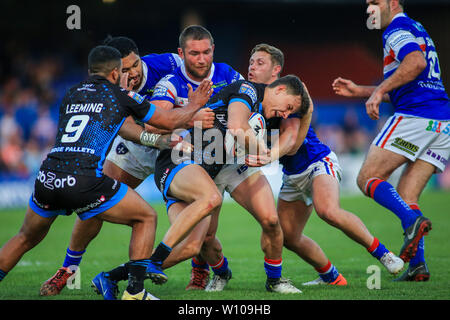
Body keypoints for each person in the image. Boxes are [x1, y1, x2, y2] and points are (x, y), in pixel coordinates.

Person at [0, 45, 212, 300]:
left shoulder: (71, 93)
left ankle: (69, 269)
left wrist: (159, 142)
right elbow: (167, 121)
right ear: (115, 72)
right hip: (84, 179)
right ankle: (135, 292)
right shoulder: (120, 94)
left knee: (24, 237)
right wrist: (196, 104)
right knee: (145, 217)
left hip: (48, 176)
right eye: (124, 69)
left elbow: (121, 126)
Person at [37, 36, 189, 297]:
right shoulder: (112, 88)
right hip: (134, 147)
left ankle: (204, 269)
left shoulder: (170, 63)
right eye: (125, 69)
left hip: (173, 147)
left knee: (200, 207)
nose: (131, 73)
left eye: (134, 66)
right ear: (115, 69)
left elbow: (193, 79)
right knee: (93, 204)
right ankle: (68, 269)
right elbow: (129, 128)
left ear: (140, 57)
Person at [246, 43, 405, 285]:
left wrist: (268, 155)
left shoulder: (291, 93)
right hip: (292, 174)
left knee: (327, 210)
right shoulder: (249, 95)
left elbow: (291, 138)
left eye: (260, 63)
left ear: (276, 70)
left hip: (317, 162)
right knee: (287, 237)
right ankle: (332, 277)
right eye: (251, 62)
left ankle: (384, 254)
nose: (252, 67)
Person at [144, 75, 308, 295]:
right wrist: (263, 152)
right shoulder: (248, 90)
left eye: (291, 111)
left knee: (270, 219)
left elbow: (292, 137)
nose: (286, 114)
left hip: (231, 164)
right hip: (196, 165)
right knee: (201, 241)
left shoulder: (282, 109)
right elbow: (237, 126)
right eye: (287, 107)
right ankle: (220, 273)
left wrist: (270, 155)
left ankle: (275, 280)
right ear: (278, 89)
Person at [332, 0, 449, 281]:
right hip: (442, 122)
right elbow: (413, 80)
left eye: (375, 2)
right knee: (408, 195)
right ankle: (418, 267)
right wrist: (362, 90)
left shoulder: (396, 28)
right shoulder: (417, 28)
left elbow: (415, 63)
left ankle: (411, 222)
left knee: (367, 178)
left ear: (393, 3)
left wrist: (377, 92)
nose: (370, 8)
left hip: (415, 117)